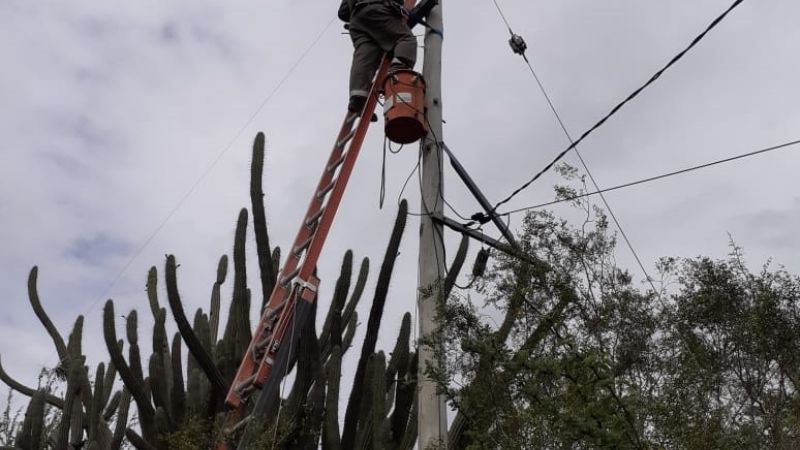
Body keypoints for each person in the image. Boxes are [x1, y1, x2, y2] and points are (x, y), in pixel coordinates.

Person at [338, 0, 417, 117]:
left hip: (357, 21)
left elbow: (343, 13)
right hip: (376, 11)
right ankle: (398, 68)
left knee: (365, 57)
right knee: (405, 38)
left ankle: (358, 98)